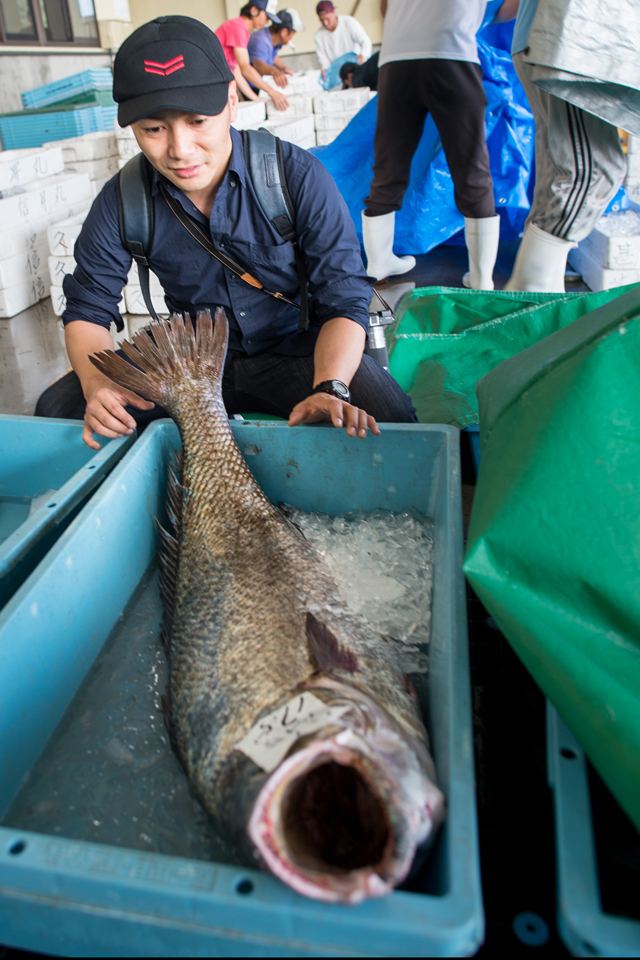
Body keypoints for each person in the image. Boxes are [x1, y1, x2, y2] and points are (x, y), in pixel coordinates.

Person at [35, 16, 417, 450]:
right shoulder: (123, 199)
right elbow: (87, 310)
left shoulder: (295, 176)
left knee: (393, 422)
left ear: (232, 102)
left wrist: (331, 386)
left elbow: (345, 298)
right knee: (61, 408)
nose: (180, 150)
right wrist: (97, 386)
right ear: (131, 128)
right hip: (190, 361)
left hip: (294, 352)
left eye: (197, 121)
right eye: (154, 129)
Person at [362, 0, 500, 290]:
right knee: (471, 166)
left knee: (388, 164)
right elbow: (510, 8)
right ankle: (481, 277)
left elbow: (386, 8)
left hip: (396, 57)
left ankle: (378, 264)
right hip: (453, 50)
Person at [503, 0, 627, 292]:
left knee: (558, 178)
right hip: (566, 39)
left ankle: (541, 303)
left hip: (554, 37)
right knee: (591, 172)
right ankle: (528, 294)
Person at [215, 1, 288, 111]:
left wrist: (256, 99)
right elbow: (245, 68)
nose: (267, 21)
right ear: (254, 10)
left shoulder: (243, 30)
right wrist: (272, 92)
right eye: (266, 16)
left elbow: (236, 73)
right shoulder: (237, 27)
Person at [248, 9, 304, 88]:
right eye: (292, 34)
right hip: (251, 87)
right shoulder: (261, 40)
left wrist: (283, 67)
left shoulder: (272, 39)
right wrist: (274, 72)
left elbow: (272, 56)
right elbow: (258, 64)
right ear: (284, 32)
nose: (291, 37)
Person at [314, 1, 372, 78]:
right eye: (321, 20)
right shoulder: (318, 35)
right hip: (337, 74)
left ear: (334, 12)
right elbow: (323, 59)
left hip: (355, 69)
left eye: (327, 18)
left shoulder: (349, 22)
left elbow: (365, 41)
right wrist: (325, 69)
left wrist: (363, 55)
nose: (325, 23)